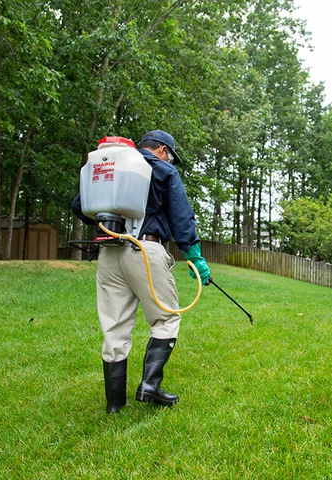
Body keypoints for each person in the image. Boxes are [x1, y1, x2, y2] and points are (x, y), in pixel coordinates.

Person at [72, 130, 211, 413]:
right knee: (166, 318)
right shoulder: (163, 170)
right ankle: (150, 386)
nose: (170, 159)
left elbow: (79, 206)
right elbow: (181, 216)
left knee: (114, 327)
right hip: (145, 250)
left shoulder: (111, 166)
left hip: (110, 253)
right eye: (170, 155)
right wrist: (194, 256)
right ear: (161, 150)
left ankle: (114, 405)